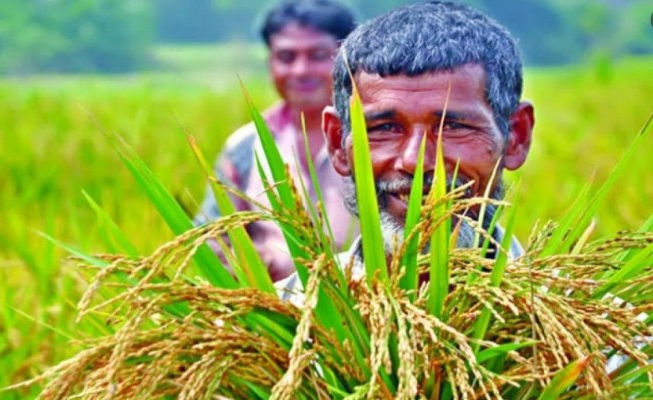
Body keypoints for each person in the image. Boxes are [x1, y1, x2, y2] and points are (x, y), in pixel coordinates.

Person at [277, 1, 535, 297]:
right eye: (385, 128)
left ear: (516, 136)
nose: (414, 161)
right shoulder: (283, 318)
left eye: (453, 127)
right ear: (338, 143)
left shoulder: (586, 330)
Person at [196, 0, 358, 281]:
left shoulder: (379, 138)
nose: (300, 70)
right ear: (270, 60)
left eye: (318, 55)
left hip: (368, 311)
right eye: (286, 57)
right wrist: (260, 264)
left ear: (347, 59)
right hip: (273, 314)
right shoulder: (245, 146)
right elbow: (212, 240)